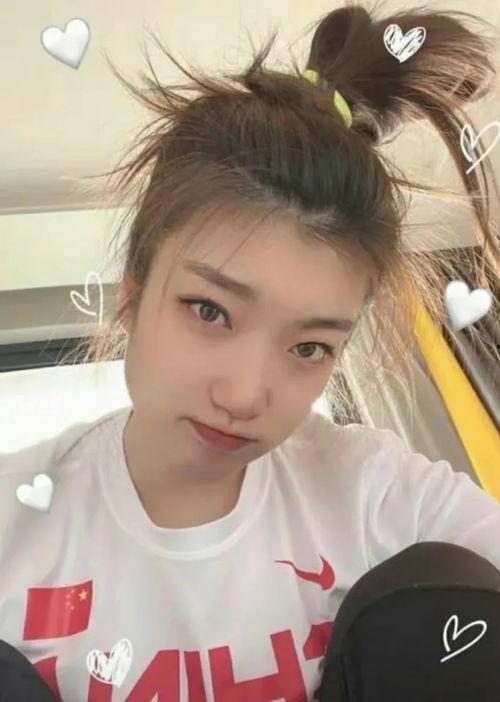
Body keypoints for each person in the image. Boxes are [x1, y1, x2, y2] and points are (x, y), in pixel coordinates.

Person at [0, 3, 499, 700]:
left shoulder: (375, 494)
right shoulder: (16, 520)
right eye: (210, 311)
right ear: (133, 295)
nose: (244, 396)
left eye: (310, 347)